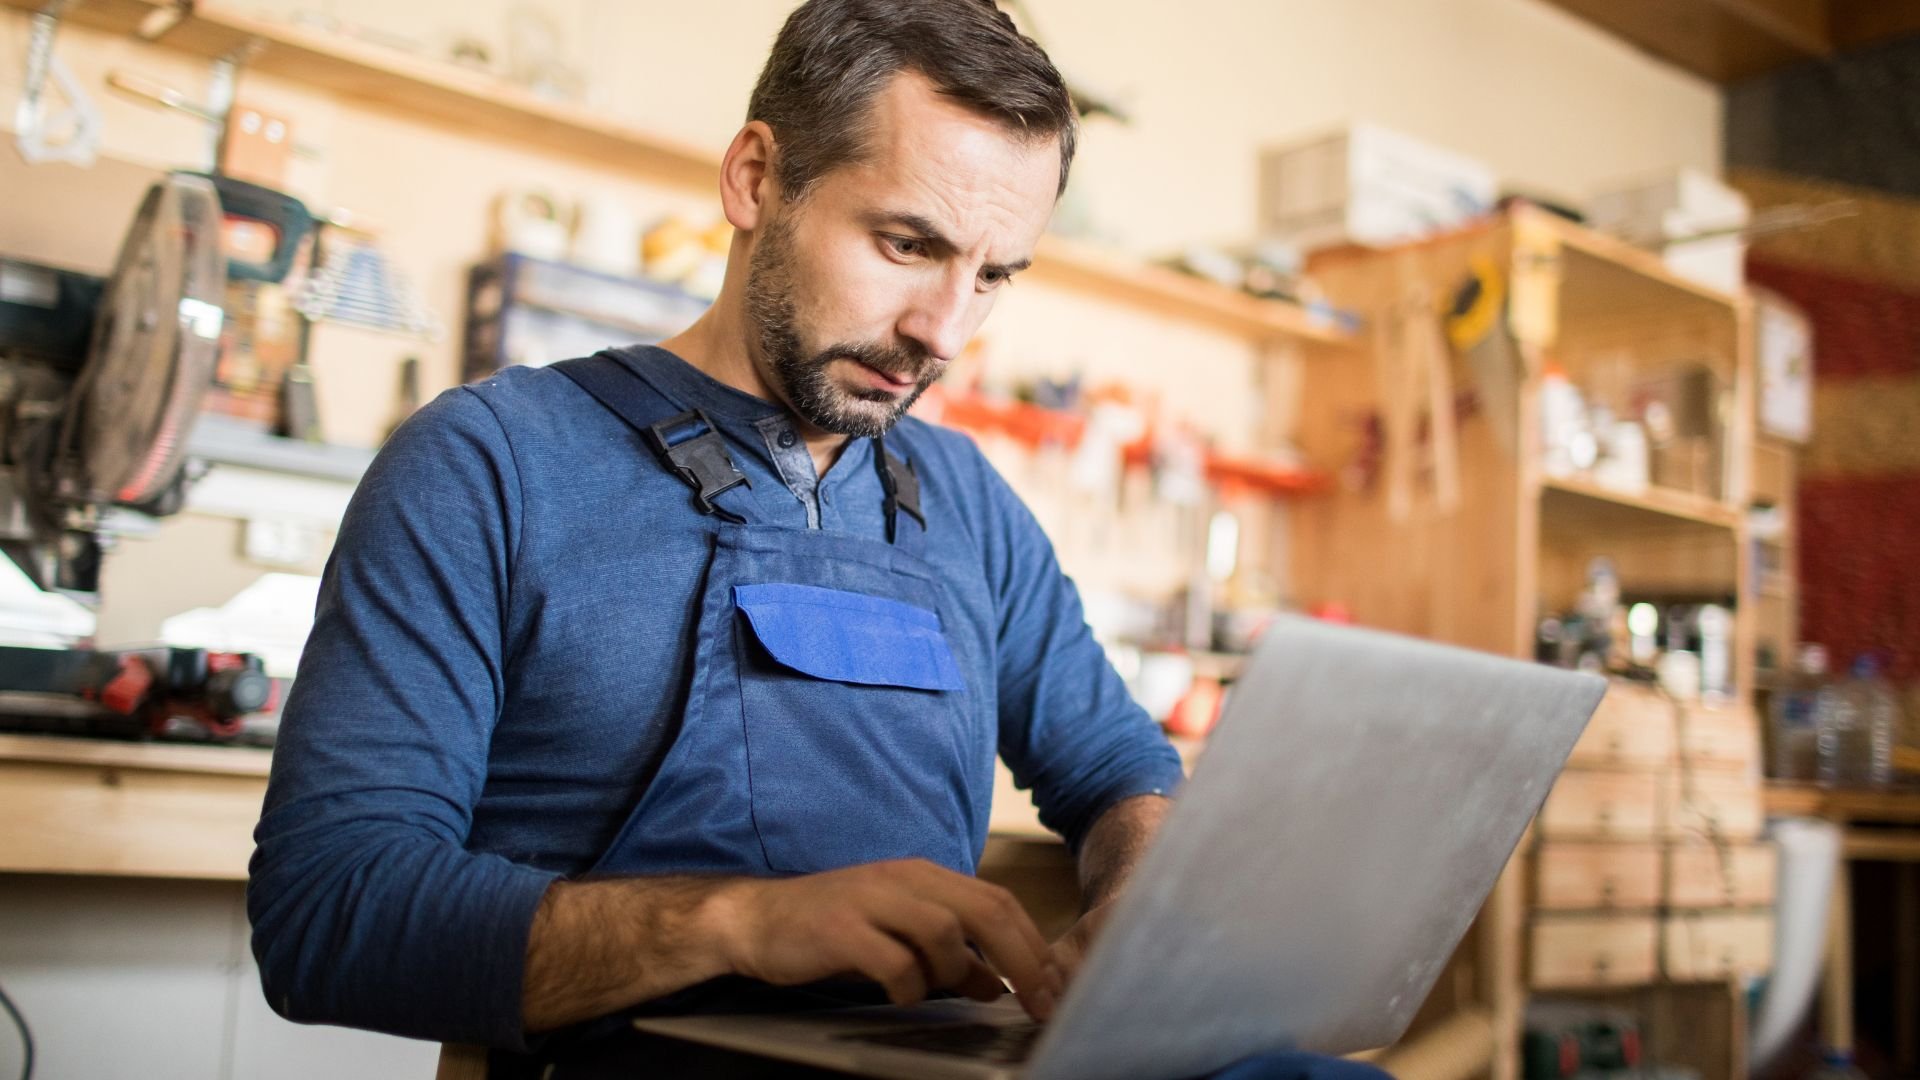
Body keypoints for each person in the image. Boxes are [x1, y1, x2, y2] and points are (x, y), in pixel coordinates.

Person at [249, 2, 1389, 1077]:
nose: (942, 332)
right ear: (756, 179)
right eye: (905, 245)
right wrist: (743, 921)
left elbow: (1119, 771)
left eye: (992, 276)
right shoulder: (490, 462)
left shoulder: (963, 497)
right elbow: (329, 914)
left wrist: (1143, 888)